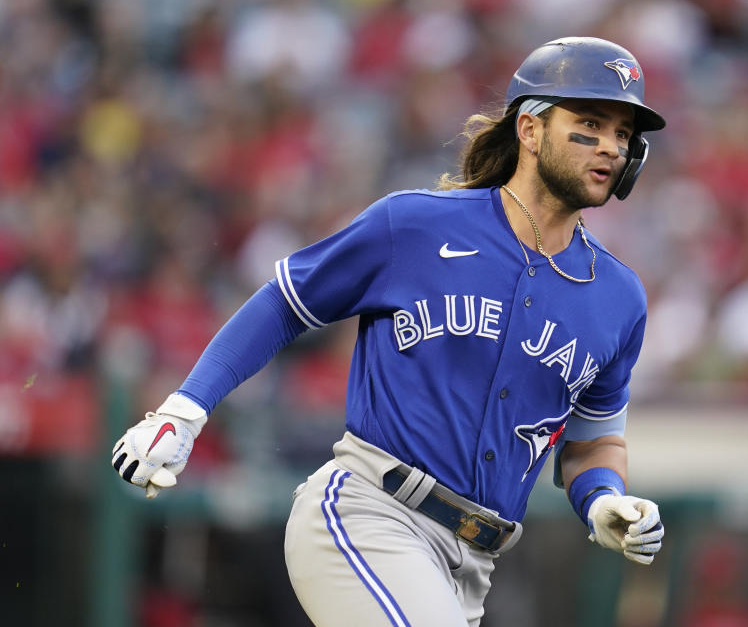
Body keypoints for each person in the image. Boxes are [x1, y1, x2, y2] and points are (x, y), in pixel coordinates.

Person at [111, 36, 667, 627]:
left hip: (473, 564)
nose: (611, 145)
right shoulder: (415, 225)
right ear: (530, 130)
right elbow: (284, 304)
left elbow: (592, 442)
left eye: (624, 134)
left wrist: (603, 498)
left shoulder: (618, 297)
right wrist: (184, 410)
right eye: (590, 122)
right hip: (368, 514)